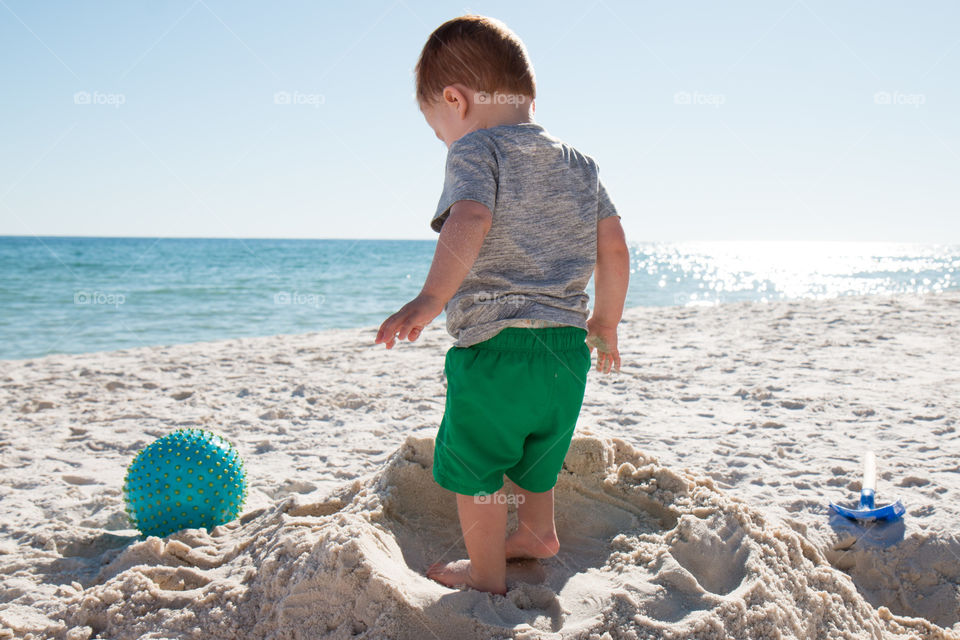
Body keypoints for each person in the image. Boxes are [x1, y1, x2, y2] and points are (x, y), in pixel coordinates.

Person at [375, 14, 630, 595]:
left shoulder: (477, 149)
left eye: (439, 129)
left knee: (479, 466)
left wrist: (430, 298)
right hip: (567, 350)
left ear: (456, 101)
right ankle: (538, 535)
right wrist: (606, 322)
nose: (445, 141)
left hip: (496, 348)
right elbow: (613, 245)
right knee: (539, 451)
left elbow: (470, 218)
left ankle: (486, 574)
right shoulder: (580, 164)